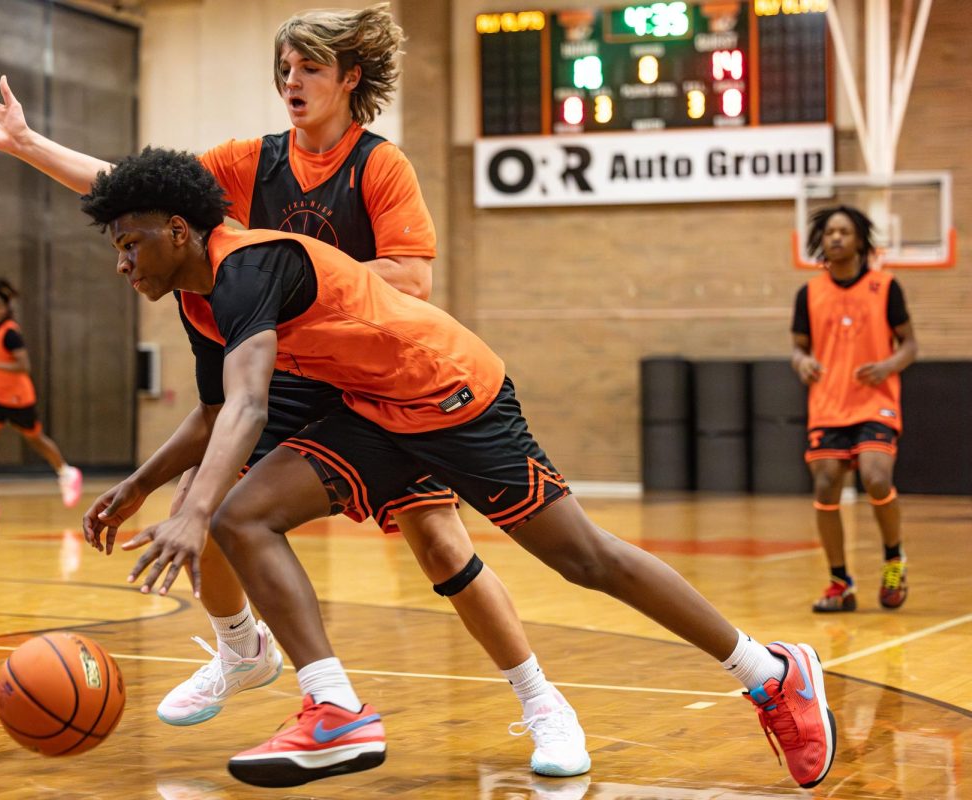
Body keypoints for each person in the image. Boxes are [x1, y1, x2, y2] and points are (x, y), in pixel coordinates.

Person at [0, 5, 588, 776]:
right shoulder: (250, 161)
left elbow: (413, 280)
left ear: (350, 77)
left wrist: (294, 274)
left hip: (368, 372)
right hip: (282, 368)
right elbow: (139, 193)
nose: (292, 81)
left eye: (310, 67)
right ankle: (241, 651)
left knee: (440, 544)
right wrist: (27, 144)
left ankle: (541, 701)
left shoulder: (380, 166)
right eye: (284, 68)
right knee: (209, 494)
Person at [78, 147, 837, 790]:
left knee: (586, 559)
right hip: (374, 411)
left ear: (179, 230)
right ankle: (334, 707)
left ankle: (770, 672)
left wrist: (189, 510)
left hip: (451, 394)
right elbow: (215, 413)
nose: (120, 263)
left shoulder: (248, 266)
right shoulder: (201, 299)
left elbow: (247, 407)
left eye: (130, 243)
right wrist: (142, 486)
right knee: (246, 514)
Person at [791, 205, 918, 613]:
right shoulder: (808, 293)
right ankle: (839, 582)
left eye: (844, 231)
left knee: (875, 475)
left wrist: (888, 365)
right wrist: (802, 362)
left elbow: (910, 345)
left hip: (874, 402)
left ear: (860, 239)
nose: (836, 238)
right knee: (826, 484)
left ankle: (893, 559)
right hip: (828, 404)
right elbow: (798, 347)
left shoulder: (886, 287)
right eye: (829, 232)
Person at [0, 277, 83, 519]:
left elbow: (23, 366)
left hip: (18, 397)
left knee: (35, 439)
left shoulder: (11, 334)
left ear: (7, 309)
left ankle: (66, 472)